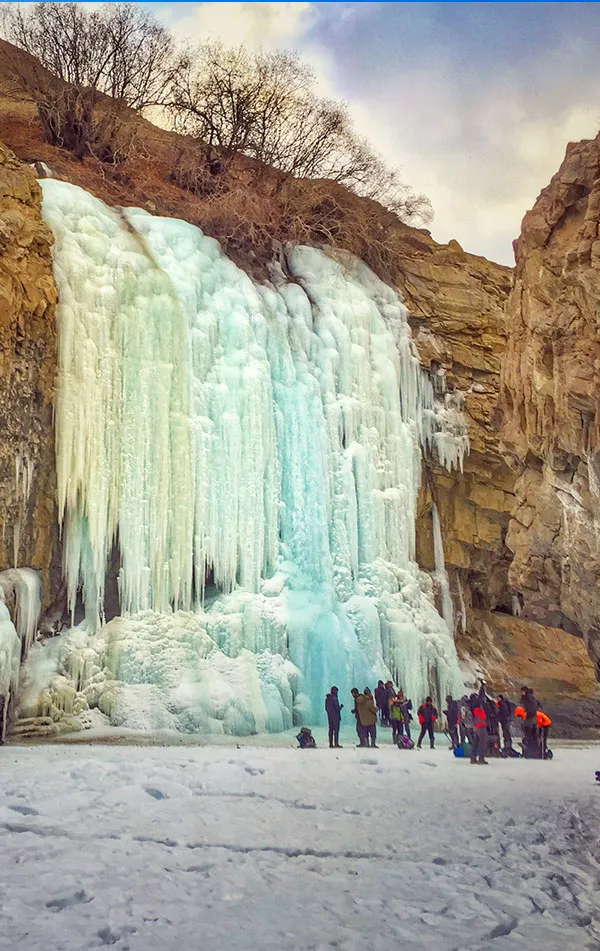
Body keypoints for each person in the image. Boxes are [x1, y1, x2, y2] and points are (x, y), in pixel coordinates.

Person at [469, 683, 488, 764]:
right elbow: (481, 696)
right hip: (480, 725)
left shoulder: (471, 705)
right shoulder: (476, 703)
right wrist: (482, 687)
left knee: (475, 742)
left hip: (475, 726)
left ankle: (473, 758)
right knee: (483, 742)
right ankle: (481, 758)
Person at [520, 685, 540, 758]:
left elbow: (532, 707)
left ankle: (532, 750)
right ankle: (531, 750)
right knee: (529, 733)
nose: (521, 693)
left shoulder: (529, 698)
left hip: (530, 718)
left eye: (522, 691)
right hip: (530, 718)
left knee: (529, 733)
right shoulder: (528, 698)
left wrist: (527, 713)